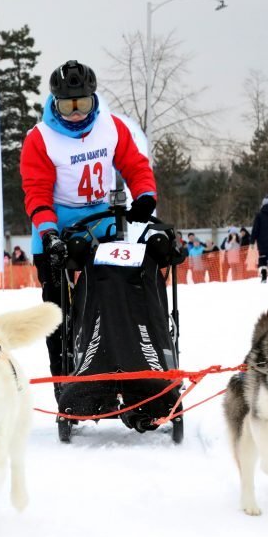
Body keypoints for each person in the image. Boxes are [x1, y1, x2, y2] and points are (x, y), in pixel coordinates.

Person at [20, 59, 158, 375]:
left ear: (93, 98)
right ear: (55, 103)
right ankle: (63, 376)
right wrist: (49, 233)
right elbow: (37, 191)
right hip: (55, 227)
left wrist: (145, 196)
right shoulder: (39, 138)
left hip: (101, 222)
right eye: (68, 106)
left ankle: (120, 361)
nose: (77, 112)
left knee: (115, 291)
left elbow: (135, 165)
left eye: (82, 103)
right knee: (56, 310)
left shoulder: (111, 127)